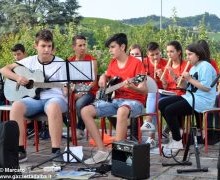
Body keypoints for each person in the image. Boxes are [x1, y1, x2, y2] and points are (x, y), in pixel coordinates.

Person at [0, 29, 68, 163]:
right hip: (34, 100)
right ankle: (20, 150)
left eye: (49, 46)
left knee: (53, 106)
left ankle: (55, 151)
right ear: (36, 46)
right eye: (43, 46)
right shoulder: (29, 61)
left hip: (55, 98)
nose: (46, 49)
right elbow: (3, 69)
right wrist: (18, 77)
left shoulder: (61, 64)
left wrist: (68, 89)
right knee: (16, 106)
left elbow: (66, 88)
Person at [81, 33, 147, 164]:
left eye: (112, 47)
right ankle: (102, 152)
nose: (110, 50)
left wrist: (133, 87)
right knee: (85, 111)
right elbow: (109, 76)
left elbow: (144, 90)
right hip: (116, 101)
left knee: (122, 110)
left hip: (135, 102)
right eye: (109, 48)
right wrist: (103, 77)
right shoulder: (112, 63)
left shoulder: (136, 64)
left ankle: (118, 154)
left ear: (122, 47)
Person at [159, 43, 217, 156]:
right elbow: (186, 87)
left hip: (203, 100)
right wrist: (175, 77)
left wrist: (189, 79)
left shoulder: (206, 66)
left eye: (190, 54)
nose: (187, 57)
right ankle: (177, 132)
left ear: (198, 55)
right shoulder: (194, 67)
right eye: (186, 54)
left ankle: (177, 141)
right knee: (162, 103)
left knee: (170, 110)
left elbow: (206, 87)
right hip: (191, 96)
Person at [67, 35, 97, 139]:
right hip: (75, 90)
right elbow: (69, 83)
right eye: (80, 45)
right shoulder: (70, 62)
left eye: (84, 45)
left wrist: (81, 93)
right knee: (61, 103)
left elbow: (93, 83)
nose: (83, 48)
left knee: (79, 103)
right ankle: (72, 128)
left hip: (89, 92)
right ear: (74, 47)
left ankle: (80, 128)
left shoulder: (92, 61)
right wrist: (73, 93)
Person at [140, 42, 167, 147]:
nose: (155, 57)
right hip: (146, 92)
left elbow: (166, 86)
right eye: (152, 55)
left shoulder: (165, 64)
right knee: (152, 97)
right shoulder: (143, 63)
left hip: (162, 93)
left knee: (153, 96)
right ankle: (151, 137)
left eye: (157, 53)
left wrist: (162, 78)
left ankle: (148, 128)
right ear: (147, 54)